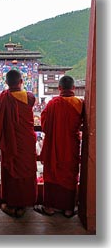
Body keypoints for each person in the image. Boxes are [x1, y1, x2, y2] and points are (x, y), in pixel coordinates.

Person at [34, 75, 83, 218]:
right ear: (73, 88)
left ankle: (49, 207)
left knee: (52, 174)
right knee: (70, 175)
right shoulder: (80, 103)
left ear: (59, 88)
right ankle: (68, 209)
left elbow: (44, 126)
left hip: (54, 147)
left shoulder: (52, 104)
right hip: (71, 147)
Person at [0, 69, 37, 218]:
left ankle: (11, 205)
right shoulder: (29, 97)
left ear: (6, 83)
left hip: (9, 143)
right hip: (26, 142)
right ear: (21, 82)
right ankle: (24, 204)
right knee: (26, 171)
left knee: (10, 173)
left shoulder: (1, 98)